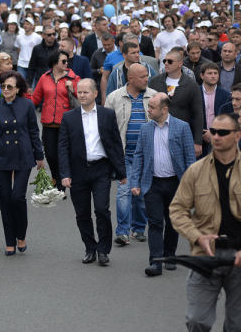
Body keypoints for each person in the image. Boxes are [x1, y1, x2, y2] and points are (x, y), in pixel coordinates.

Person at [170, 113, 241, 331]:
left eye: (223, 132)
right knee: (197, 320)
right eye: (213, 131)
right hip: (206, 256)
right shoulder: (196, 170)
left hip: (239, 257)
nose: (216, 136)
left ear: (237, 135)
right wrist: (197, 236)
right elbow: (178, 209)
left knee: (237, 324)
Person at [58, 79, 126, 266]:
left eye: (86, 92)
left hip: (101, 169)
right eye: (79, 92)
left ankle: (103, 250)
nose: (81, 95)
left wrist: (122, 172)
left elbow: (115, 144)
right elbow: (62, 148)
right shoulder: (69, 117)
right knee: (82, 213)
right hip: (78, 170)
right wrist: (65, 174)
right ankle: (90, 248)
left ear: (95, 94)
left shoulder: (107, 115)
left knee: (102, 210)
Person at [129, 93, 196, 277]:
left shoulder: (182, 127)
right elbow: (139, 157)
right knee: (156, 223)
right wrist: (135, 182)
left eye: (151, 107)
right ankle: (156, 262)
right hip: (153, 184)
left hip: (176, 183)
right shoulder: (145, 129)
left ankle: (169, 256)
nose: (148, 110)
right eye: (148, 106)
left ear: (164, 109)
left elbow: (190, 159)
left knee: (173, 222)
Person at [0, 71, 44, 255]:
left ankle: (21, 236)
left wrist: (39, 156)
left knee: (17, 197)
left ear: (18, 89)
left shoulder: (27, 105)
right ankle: (9, 240)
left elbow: (34, 131)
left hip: (23, 156)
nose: (5, 89)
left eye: (9, 86)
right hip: (1, 157)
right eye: (3, 86)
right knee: (5, 200)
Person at [105, 63, 156, 246]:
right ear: (131, 78)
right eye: (142, 76)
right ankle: (122, 232)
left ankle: (139, 228)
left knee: (141, 193)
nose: (146, 79)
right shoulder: (114, 97)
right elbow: (105, 127)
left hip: (146, 155)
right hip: (123, 155)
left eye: (146, 76)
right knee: (124, 192)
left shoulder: (154, 96)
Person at [31, 49, 80, 193]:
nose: (66, 63)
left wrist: (73, 89)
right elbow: (35, 98)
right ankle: (55, 176)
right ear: (54, 62)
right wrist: (21, 105)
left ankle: (60, 187)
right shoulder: (44, 77)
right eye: (63, 61)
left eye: (67, 61)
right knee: (51, 155)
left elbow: (83, 98)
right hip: (48, 121)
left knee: (63, 154)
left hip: (66, 122)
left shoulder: (73, 78)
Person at [148, 48, 204, 157]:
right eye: (164, 61)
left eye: (170, 61)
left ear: (180, 63)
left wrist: (197, 142)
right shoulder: (155, 82)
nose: (166, 64)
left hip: (180, 136)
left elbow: (198, 114)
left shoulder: (191, 85)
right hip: (156, 133)